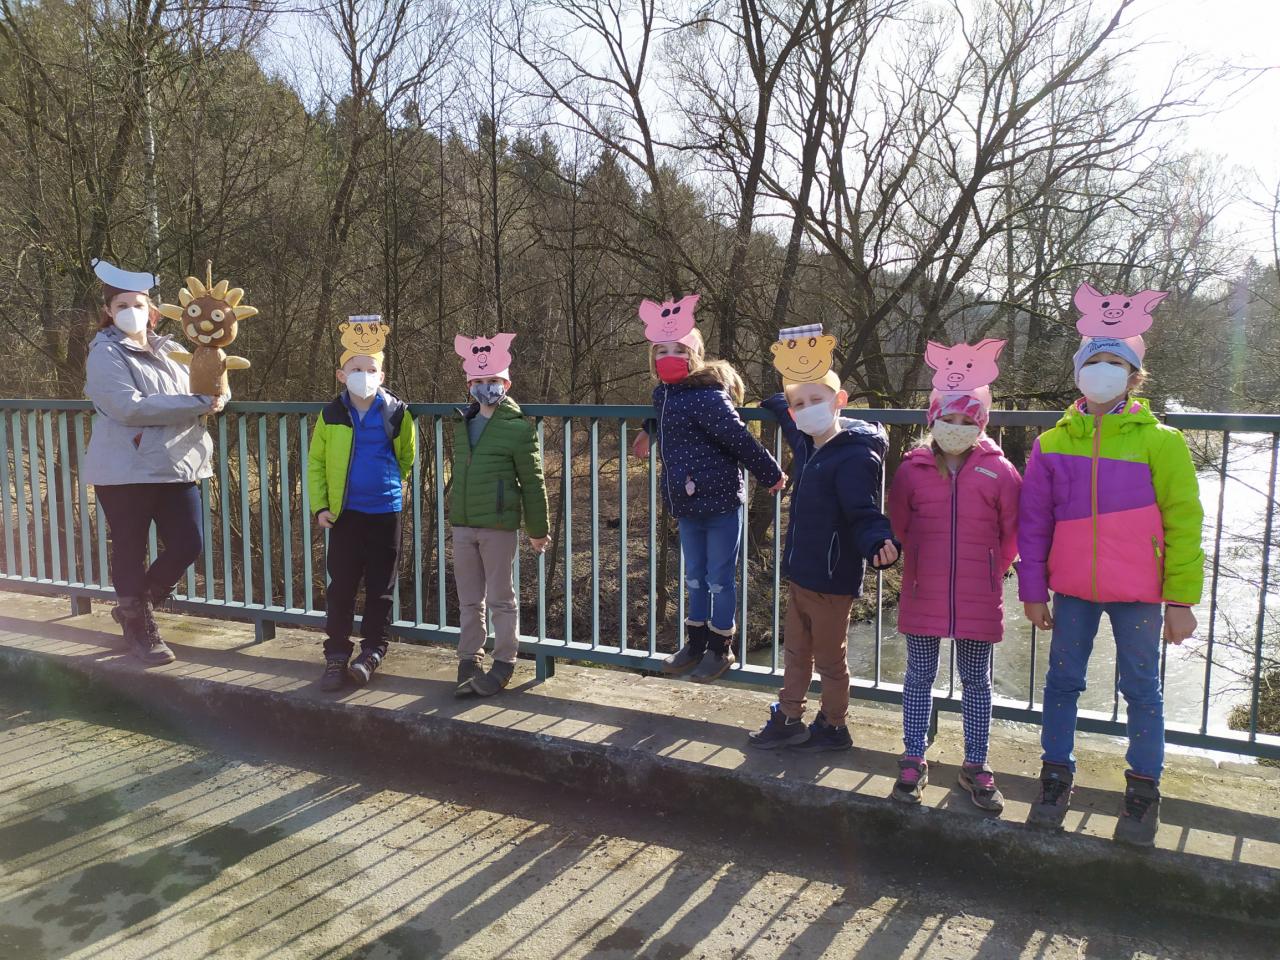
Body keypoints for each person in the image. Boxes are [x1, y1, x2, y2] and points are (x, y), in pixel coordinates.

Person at [1019, 335, 1202, 846]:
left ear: (1134, 377)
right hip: (1073, 589)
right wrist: (1032, 590)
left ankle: (1143, 789)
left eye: (1114, 363)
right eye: (1093, 361)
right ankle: (1055, 776)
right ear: (1078, 373)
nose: (1102, 370)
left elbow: (1184, 522)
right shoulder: (1051, 443)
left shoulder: (1162, 441)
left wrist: (1181, 601)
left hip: (1140, 591)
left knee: (1141, 689)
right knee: (1062, 683)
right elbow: (1033, 523)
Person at [750, 353, 899, 751]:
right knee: (795, 652)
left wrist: (878, 542)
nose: (807, 409)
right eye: (800, 404)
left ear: (840, 401)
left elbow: (864, 511)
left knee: (831, 661)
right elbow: (791, 422)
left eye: (816, 400)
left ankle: (834, 726)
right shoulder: (808, 443)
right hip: (801, 573)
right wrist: (779, 402)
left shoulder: (856, 455)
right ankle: (789, 717)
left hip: (833, 580)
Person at [83, 258, 227, 665]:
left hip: (175, 464)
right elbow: (129, 408)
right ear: (109, 311)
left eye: (139, 304)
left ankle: (135, 608)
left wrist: (217, 397)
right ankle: (141, 629)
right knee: (130, 548)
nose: (132, 312)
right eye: (122, 305)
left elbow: (211, 382)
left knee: (188, 543)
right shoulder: (105, 354)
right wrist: (197, 404)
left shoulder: (175, 349)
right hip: (125, 469)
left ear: (154, 312)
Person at [633, 298, 785, 683]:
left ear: (695, 356)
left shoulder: (708, 395)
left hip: (720, 502)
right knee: (694, 576)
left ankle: (720, 648)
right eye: (662, 351)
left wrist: (770, 473)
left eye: (679, 350)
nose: (669, 357)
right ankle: (695, 643)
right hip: (686, 503)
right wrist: (647, 432)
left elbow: (739, 438)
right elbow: (665, 418)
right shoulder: (663, 395)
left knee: (719, 577)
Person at [887, 386, 1021, 810]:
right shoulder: (912, 470)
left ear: (981, 425)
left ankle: (976, 764)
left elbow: (1012, 533)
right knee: (918, 675)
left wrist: (993, 570)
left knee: (976, 681)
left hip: (979, 594)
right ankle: (913, 757)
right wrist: (919, 562)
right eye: (949, 420)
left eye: (967, 422)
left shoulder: (1000, 471)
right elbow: (900, 524)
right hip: (922, 590)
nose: (957, 428)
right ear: (933, 420)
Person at [308, 344, 416, 692]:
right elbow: (316, 462)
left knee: (381, 588)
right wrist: (321, 506)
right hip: (346, 514)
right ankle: (336, 655)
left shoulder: (397, 412)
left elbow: (406, 456)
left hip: (385, 511)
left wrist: (389, 485)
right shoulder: (331, 414)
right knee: (341, 587)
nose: (364, 377)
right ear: (341, 375)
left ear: (382, 375)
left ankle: (372, 651)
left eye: (371, 370)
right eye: (356, 370)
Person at [450, 333, 549, 697]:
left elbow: (533, 481)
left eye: (493, 380)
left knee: (501, 599)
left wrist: (537, 530)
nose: (486, 386)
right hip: (463, 525)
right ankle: (468, 660)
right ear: (469, 385)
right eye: (479, 380)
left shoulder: (518, 428)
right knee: (469, 599)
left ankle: (504, 660)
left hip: (497, 526)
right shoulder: (463, 423)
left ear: (506, 384)